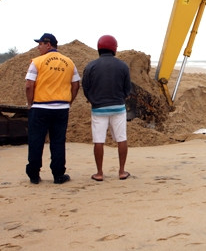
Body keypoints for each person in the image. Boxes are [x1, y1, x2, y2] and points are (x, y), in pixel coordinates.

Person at [25, 33, 80, 184]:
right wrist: (69, 102)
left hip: (40, 107)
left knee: (36, 140)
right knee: (58, 141)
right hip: (61, 108)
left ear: (48, 44)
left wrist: (30, 104)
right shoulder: (69, 62)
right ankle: (58, 175)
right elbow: (76, 85)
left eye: (40, 44)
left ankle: (34, 175)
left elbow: (29, 85)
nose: (38, 47)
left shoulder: (37, 62)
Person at [82, 35, 132, 181]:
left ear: (99, 48)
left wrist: (93, 100)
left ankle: (99, 173)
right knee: (121, 138)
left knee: (99, 140)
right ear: (114, 48)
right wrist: (120, 98)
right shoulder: (123, 66)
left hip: (98, 108)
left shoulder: (91, 66)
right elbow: (128, 89)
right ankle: (122, 171)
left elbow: (86, 87)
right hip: (118, 107)